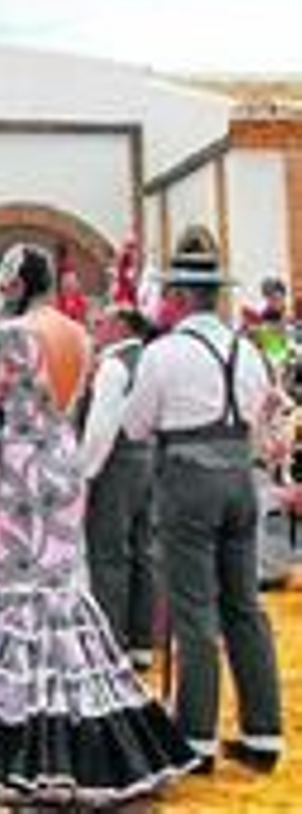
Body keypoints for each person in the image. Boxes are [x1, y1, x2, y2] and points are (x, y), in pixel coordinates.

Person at [0, 244, 195, 805]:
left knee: (18, 587)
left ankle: (19, 724)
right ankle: (77, 711)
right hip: (63, 459)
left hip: (22, 466)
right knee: (60, 588)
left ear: (18, 283)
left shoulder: (11, 335)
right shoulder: (80, 335)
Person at [121, 233, 287, 773]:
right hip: (241, 479)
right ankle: (263, 732)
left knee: (194, 609)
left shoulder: (163, 353)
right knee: (244, 606)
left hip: (187, 480)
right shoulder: (250, 352)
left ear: (179, 297)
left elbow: (135, 425)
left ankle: (196, 737)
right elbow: (263, 424)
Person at [77, 304, 158, 670]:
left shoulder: (114, 366)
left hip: (116, 464)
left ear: (122, 326)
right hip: (148, 462)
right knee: (143, 551)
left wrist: (85, 473)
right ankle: (143, 641)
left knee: (109, 553)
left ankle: (111, 642)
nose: (96, 327)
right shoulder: (151, 360)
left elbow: (101, 428)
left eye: (102, 321)